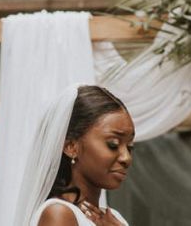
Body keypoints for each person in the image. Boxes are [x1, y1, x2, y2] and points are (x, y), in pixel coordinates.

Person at [15, 84, 134, 225]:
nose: (126, 158)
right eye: (113, 144)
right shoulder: (58, 213)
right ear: (71, 147)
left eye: (130, 147)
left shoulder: (113, 218)